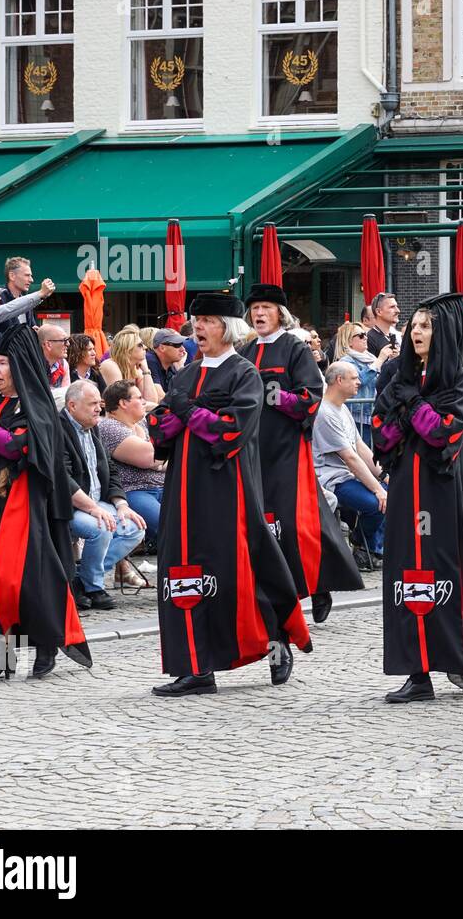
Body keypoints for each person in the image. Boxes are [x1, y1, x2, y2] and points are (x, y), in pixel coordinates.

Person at [146, 292, 312, 696]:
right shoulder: (185, 375)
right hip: (184, 487)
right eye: (195, 320)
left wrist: (189, 413)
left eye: (207, 320)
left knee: (239, 570)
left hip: (228, 487)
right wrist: (181, 415)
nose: (197, 328)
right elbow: (158, 427)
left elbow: (231, 430)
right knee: (185, 573)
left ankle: (276, 641)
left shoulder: (244, 374)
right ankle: (196, 667)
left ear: (228, 327)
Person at [0, 325, 91, 681]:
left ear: (19, 365)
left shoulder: (39, 408)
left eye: (3, 363)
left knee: (25, 579)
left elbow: (15, 448)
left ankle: (45, 647)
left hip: (22, 507)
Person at [372, 293, 463, 703]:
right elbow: (381, 436)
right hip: (406, 488)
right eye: (414, 326)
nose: (416, 332)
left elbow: (444, 433)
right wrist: (410, 414)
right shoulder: (398, 378)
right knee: (406, 576)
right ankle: (416, 671)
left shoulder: (460, 380)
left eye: (425, 326)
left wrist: (413, 408)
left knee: (450, 572)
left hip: (444, 492)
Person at [239, 283, 364, 625]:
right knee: (262, 523)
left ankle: (318, 583)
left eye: (266, 308)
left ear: (280, 313)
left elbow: (310, 399)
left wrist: (275, 397)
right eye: (255, 308)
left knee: (294, 523)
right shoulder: (246, 352)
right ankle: (274, 590)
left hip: (286, 450)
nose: (259, 313)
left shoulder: (293, 348)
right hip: (251, 451)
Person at [59, 380, 147, 610]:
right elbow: (62, 479)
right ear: (72, 406)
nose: (99, 408)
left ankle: (82, 578)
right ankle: (95, 587)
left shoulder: (94, 427)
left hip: (98, 501)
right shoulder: (58, 430)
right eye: (92, 404)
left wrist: (121, 504)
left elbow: (111, 470)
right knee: (101, 527)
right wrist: (93, 508)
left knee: (134, 528)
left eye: (99, 403)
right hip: (70, 506)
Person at [314, 362, 386, 562]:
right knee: (377, 503)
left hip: (348, 475)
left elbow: (360, 446)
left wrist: (384, 475)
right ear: (339, 380)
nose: (359, 382)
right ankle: (364, 546)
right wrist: (378, 489)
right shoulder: (324, 413)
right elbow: (350, 457)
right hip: (330, 479)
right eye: (354, 378)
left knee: (392, 494)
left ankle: (370, 547)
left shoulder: (342, 408)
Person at [99, 380, 166, 552]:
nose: (144, 402)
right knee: (169, 525)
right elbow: (149, 457)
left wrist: (159, 461)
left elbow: (161, 455)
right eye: (139, 397)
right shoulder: (109, 426)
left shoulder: (142, 423)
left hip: (164, 485)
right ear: (123, 403)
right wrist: (160, 458)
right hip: (135, 490)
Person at [100, 329, 160, 404]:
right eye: (140, 345)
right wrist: (143, 403)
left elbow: (152, 401)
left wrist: (146, 370)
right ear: (127, 350)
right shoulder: (110, 365)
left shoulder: (136, 369)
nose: (145, 347)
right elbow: (121, 402)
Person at [0, 257, 47, 337]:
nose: (31, 280)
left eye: (31, 276)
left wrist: (33, 332)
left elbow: (30, 328)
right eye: (27, 275)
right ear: (12, 276)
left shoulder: (26, 300)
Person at [145, 328, 187, 394]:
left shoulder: (171, 366)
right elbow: (161, 398)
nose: (183, 349)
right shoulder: (150, 360)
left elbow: (184, 393)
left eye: (182, 344)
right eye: (177, 345)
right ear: (162, 348)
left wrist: (180, 368)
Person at [366, 292, 401, 358]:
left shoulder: (395, 336)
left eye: (396, 306)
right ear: (378, 312)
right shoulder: (369, 339)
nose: (398, 311)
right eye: (392, 307)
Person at [38, 324, 71, 390]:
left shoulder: (63, 364)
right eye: (64, 340)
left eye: (68, 340)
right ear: (48, 345)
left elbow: (65, 394)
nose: (68, 344)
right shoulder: (33, 365)